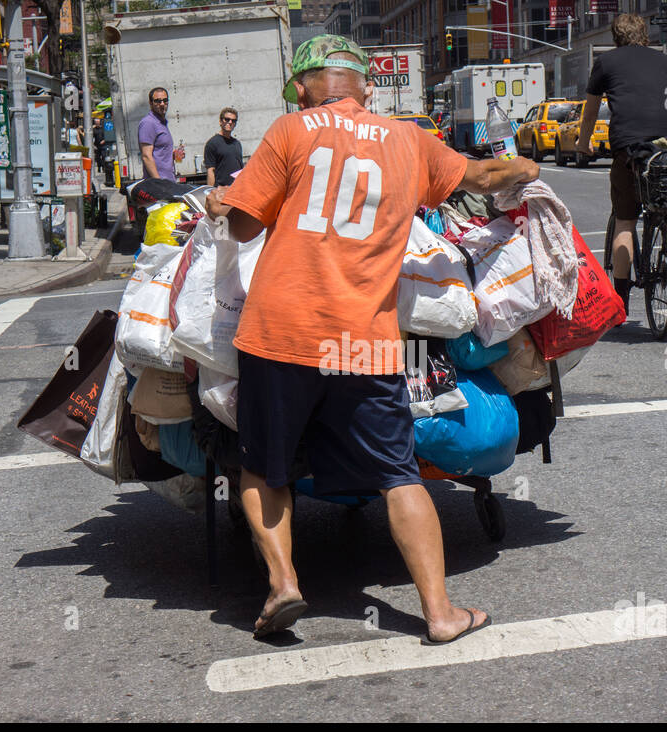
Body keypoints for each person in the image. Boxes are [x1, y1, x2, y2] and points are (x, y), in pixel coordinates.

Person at [205, 35, 539, 643]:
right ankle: (440, 614)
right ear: (363, 86)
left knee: (264, 468)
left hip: (281, 333)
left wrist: (220, 203)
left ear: (306, 85)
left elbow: (247, 222)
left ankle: (283, 582)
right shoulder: (410, 141)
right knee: (398, 473)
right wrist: (525, 167)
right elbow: (483, 175)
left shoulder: (291, 130)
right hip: (363, 339)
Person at [575, 12, 667, 316]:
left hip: (630, 146)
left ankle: (620, 302)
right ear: (645, 35)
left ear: (615, 37)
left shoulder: (606, 63)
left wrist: (583, 143)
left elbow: (590, 111)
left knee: (625, 220)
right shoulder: (665, 61)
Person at [138, 87, 185, 180]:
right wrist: (159, 183)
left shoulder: (161, 122)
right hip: (158, 185)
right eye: (158, 101)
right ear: (150, 103)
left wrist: (173, 155)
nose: (162, 104)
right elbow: (146, 156)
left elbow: (159, 153)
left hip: (168, 181)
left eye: (165, 100)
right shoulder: (148, 123)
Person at [204, 107, 244, 187]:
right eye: (227, 119)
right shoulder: (212, 143)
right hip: (221, 191)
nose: (230, 122)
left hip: (237, 189)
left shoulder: (237, 144)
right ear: (220, 122)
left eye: (233, 120)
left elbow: (240, 169)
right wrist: (211, 192)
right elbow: (210, 170)